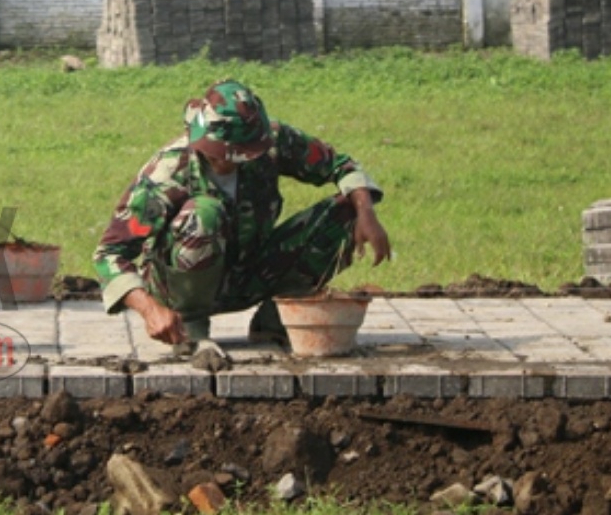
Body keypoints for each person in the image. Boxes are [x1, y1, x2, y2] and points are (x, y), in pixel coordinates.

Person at [93, 79, 391, 349]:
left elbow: (341, 166)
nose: (227, 163)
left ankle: (276, 320)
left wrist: (366, 214)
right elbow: (110, 253)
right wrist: (150, 310)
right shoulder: (167, 172)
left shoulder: (270, 141)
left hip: (250, 270)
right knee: (204, 213)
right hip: (180, 287)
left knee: (347, 209)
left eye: (239, 155)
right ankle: (191, 331)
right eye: (218, 154)